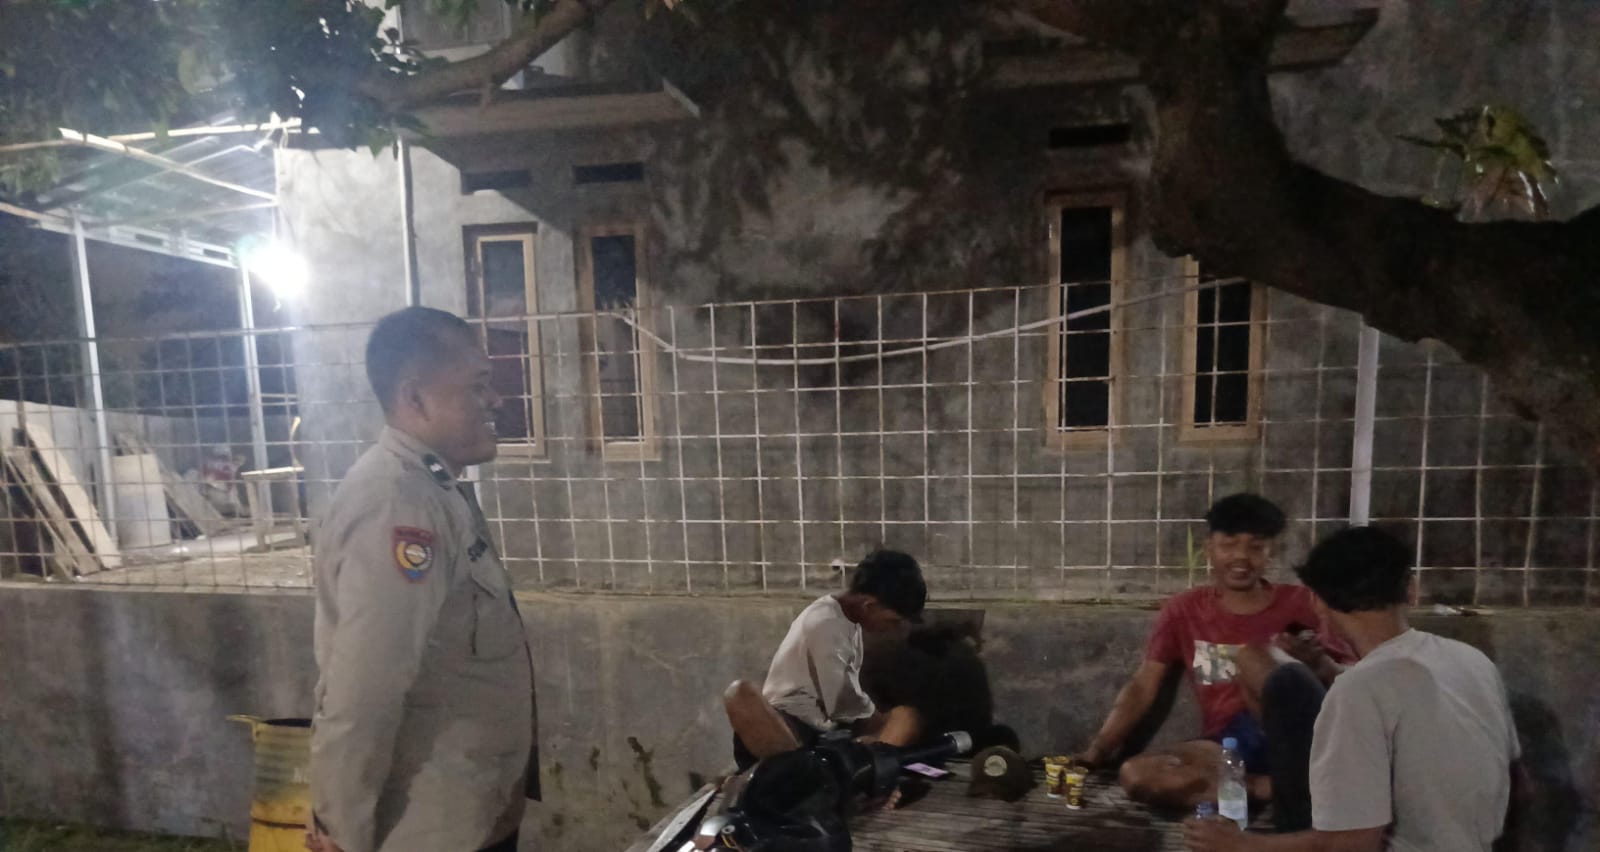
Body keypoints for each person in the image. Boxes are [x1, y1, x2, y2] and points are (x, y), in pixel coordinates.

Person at [307, 307, 537, 852]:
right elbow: (366, 686)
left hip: (468, 813)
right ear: (416, 399)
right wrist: (344, 833)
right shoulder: (398, 506)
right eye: (478, 385)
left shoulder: (434, 489)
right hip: (428, 829)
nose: (496, 400)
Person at [1184, 526, 1522, 852]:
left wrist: (1241, 846)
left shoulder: (1359, 691)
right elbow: (1521, 788)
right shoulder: (1471, 660)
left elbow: (1353, 844)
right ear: (1411, 589)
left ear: (1317, 602)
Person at [1076, 494, 1348, 819]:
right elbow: (1143, 686)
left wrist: (1318, 664)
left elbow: (1351, 676)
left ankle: (1276, 785)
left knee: (1255, 660)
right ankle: (1273, 788)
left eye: (1256, 547)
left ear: (1271, 551)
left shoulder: (1303, 603)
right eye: (1229, 545)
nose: (1241, 557)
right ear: (1210, 548)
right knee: (1136, 774)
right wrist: (1097, 751)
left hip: (1301, 737)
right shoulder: (1184, 610)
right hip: (1228, 743)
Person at [724, 549, 928, 770]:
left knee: (905, 718)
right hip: (794, 728)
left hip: (823, 730)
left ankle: (860, 766)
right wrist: (878, 725)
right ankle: (813, 772)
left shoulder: (846, 619)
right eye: (893, 621)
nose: (893, 629)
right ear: (869, 606)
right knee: (739, 693)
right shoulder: (826, 623)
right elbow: (842, 702)